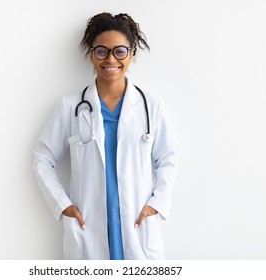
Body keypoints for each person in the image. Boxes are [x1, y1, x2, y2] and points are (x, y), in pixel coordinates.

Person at [33, 12, 178, 260]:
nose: (111, 59)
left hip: (138, 229)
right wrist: (63, 205)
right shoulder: (71, 107)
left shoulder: (150, 106)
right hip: (88, 230)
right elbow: (42, 159)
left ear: (131, 54)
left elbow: (168, 158)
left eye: (120, 51)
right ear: (92, 55)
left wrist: (156, 204)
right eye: (102, 51)